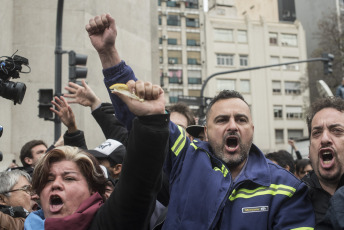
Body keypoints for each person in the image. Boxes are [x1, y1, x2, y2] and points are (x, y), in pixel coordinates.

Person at [113, 79, 315, 229]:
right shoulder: (186, 160)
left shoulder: (287, 189)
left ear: (252, 129)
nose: (233, 126)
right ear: (206, 132)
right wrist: (109, 53)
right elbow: (149, 117)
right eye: (222, 120)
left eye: (241, 119)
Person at [24, 83, 169, 229]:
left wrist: (151, 120)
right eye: (48, 179)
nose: (55, 185)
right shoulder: (24, 224)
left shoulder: (107, 223)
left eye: (69, 178)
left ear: (92, 190)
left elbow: (138, 185)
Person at [302, 96, 344, 225]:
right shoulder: (293, 200)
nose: (324, 139)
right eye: (317, 133)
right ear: (309, 151)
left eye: (336, 131)